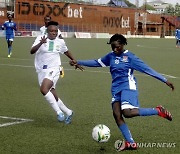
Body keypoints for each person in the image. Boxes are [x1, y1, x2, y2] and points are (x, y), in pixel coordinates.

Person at [70, 34, 174, 151]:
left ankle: (158, 110)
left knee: (128, 113)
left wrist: (165, 80)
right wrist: (78, 62)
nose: (115, 49)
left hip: (128, 87)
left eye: (118, 47)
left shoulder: (130, 57)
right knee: (117, 114)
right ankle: (130, 143)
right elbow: (97, 62)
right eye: (113, 47)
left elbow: (147, 69)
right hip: (116, 89)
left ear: (123, 44)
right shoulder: (110, 56)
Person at [30, 21, 83, 124]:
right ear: (47, 31)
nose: (54, 33)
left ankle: (59, 113)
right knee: (52, 94)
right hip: (41, 70)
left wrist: (75, 61)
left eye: (55, 31)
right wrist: (41, 43)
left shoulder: (60, 42)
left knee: (44, 89)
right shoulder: (40, 38)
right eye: (51, 31)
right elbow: (32, 51)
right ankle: (69, 112)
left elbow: (66, 51)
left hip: (54, 69)